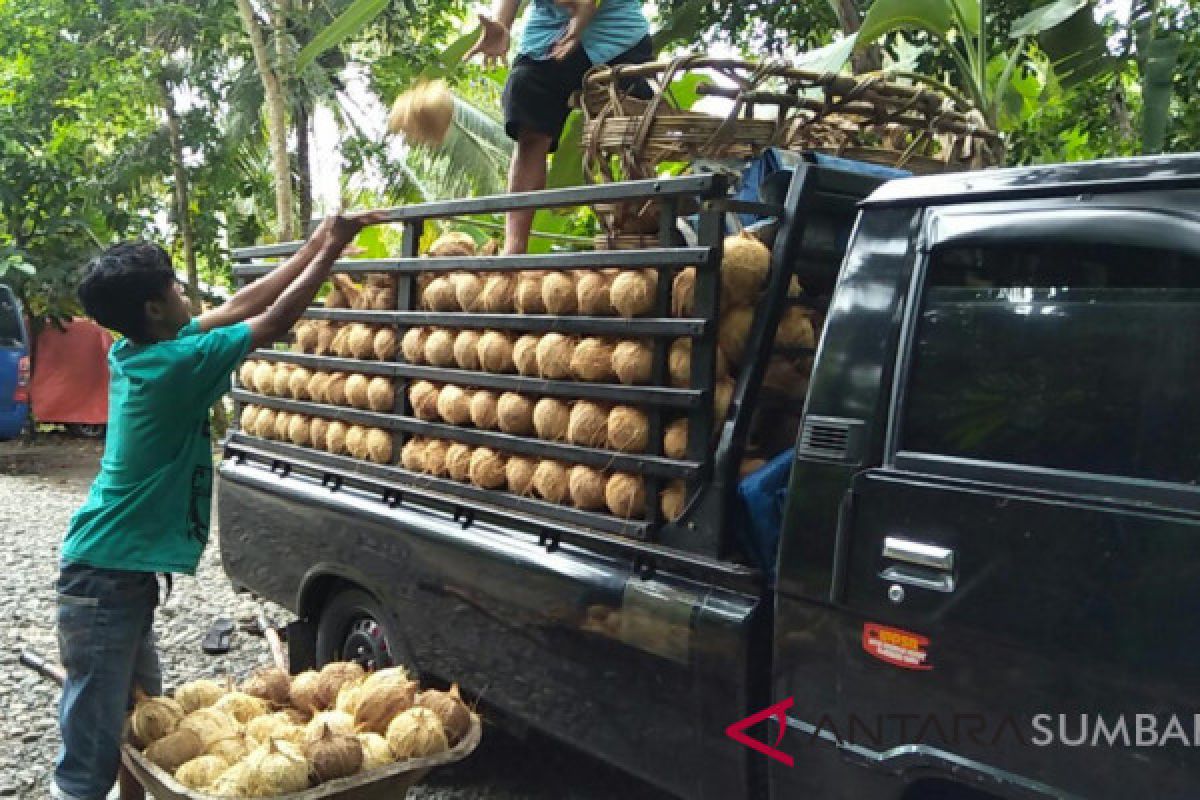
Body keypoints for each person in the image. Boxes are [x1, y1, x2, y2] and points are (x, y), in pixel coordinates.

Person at [52, 210, 384, 800]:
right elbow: (273, 319)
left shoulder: (137, 349)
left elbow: (240, 304)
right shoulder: (175, 367)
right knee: (89, 750)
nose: (184, 292)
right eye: (175, 286)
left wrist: (314, 244)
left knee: (141, 718)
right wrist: (331, 250)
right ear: (155, 308)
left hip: (112, 575)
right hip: (105, 579)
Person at [467, 0, 653, 254]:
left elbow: (587, 4)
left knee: (630, 134)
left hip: (616, 39)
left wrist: (583, 11)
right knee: (525, 97)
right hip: (547, 39)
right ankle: (514, 251)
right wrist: (501, 25)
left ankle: (640, 236)